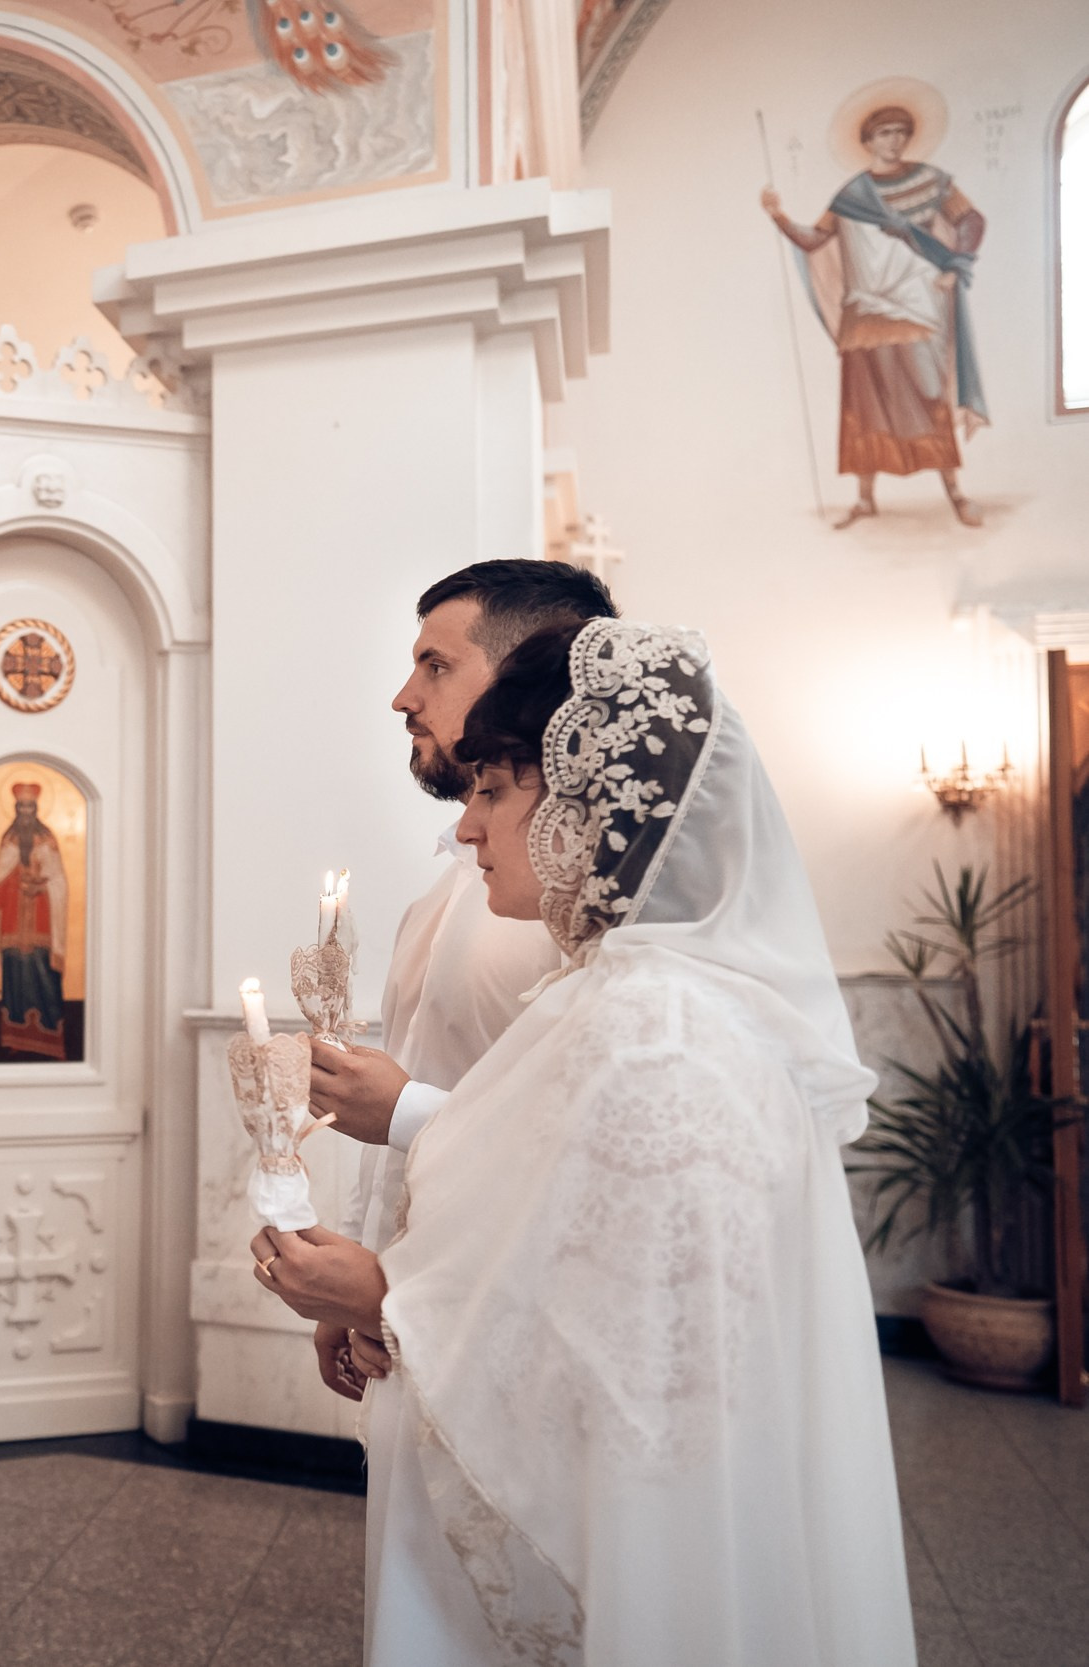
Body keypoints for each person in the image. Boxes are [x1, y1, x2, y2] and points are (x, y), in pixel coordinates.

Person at [255, 618, 915, 1664]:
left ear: (583, 806)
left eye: (493, 790)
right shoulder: (619, 995)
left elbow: (647, 1360)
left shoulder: (655, 1028)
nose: (468, 824)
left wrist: (382, 1296)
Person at [303, 560, 612, 1399]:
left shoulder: (578, 903)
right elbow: (405, 1108)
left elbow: (583, 1153)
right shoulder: (454, 880)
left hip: (513, 1335)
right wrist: (366, 1273)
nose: (403, 697)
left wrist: (404, 1110)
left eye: (435, 665)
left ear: (525, 672)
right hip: (411, 1311)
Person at [763, 101, 988, 528]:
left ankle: (955, 493)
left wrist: (956, 264)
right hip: (865, 310)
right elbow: (814, 239)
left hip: (918, 303)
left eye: (901, 132)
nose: (894, 140)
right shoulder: (853, 195)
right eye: (885, 133)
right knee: (863, 404)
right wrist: (778, 215)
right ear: (868, 141)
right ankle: (865, 500)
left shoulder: (932, 181)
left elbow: (971, 220)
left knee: (928, 396)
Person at [0, 780, 72, 1060]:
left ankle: (50, 1038)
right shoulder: (10, 840)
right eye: (21, 807)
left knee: (44, 978)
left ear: (36, 808)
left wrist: (43, 887)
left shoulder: (48, 840)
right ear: (16, 809)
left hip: (42, 924)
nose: (26, 812)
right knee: (15, 979)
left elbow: (59, 880)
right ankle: (16, 1037)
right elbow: (1, 876)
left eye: (30, 806)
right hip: (13, 925)